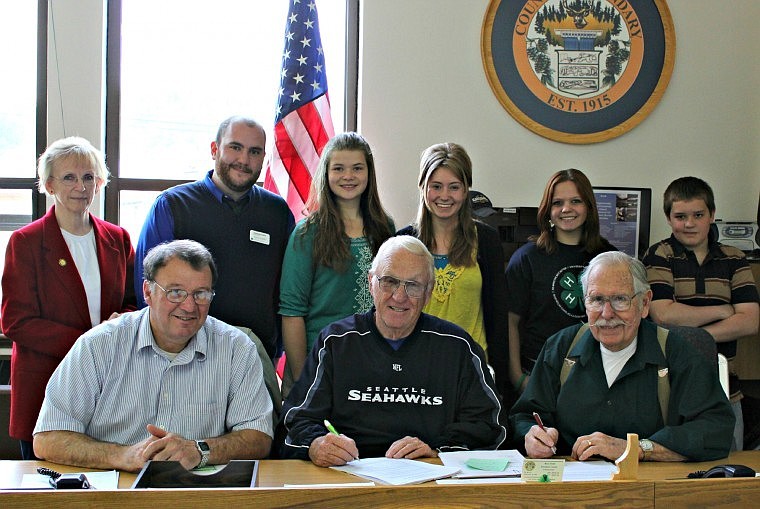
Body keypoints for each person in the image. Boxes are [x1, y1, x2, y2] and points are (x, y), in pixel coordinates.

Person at [33, 240, 273, 472]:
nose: (189, 306)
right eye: (176, 292)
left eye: (201, 294)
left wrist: (200, 450)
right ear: (148, 291)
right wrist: (122, 455)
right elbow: (47, 438)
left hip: (196, 493)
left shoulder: (237, 348)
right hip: (114, 492)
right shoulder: (98, 345)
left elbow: (259, 437)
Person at [279, 236, 505, 466]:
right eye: (389, 281)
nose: (399, 296)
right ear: (371, 283)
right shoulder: (336, 342)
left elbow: (491, 426)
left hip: (430, 476)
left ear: (428, 293)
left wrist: (439, 450)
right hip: (348, 475)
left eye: (413, 285)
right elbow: (296, 420)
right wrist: (316, 444)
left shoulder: (457, 347)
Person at [511, 251, 735, 462]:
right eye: (596, 299)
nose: (607, 314)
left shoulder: (677, 352)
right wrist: (531, 437)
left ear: (644, 303)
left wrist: (636, 449)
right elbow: (525, 416)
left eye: (620, 299)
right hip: (574, 487)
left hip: (650, 488)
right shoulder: (561, 348)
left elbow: (716, 430)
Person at [1, 137, 136, 460]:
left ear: (100, 183)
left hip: (106, 389)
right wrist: (88, 342)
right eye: (69, 178)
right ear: (49, 185)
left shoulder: (117, 239)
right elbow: (15, 321)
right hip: (45, 386)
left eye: (89, 177)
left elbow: (133, 302)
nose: (81, 186)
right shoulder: (26, 242)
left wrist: (123, 320)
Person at [134, 116, 295, 358]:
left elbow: (288, 290)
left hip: (257, 355)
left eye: (254, 151)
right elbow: (147, 287)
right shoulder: (173, 206)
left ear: (264, 157)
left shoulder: (277, 212)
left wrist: (278, 351)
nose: (244, 160)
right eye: (235, 147)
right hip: (184, 355)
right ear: (214, 149)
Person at [643, 176, 759, 449]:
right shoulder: (658, 255)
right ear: (669, 218)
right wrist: (724, 309)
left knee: (730, 466)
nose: (689, 223)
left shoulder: (734, 259)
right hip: (672, 389)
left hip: (727, 389)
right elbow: (663, 315)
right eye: (680, 216)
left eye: (698, 214)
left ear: (712, 215)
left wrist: (696, 338)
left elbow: (751, 320)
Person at [279, 132, 394, 395]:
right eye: (339, 168)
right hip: (321, 361)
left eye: (357, 168)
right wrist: (302, 376)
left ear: (369, 173)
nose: (348, 176)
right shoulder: (308, 233)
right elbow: (292, 311)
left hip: (375, 361)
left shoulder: (384, 228)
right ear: (326, 174)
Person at [396, 142, 510, 401]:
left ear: (466, 189)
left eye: (454, 187)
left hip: (471, 372)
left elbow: (498, 317)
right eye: (436, 186)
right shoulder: (403, 241)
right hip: (415, 371)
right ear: (423, 187)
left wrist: (501, 384)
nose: (444, 196)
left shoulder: (486, 240)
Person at [506, 168, 615, 395]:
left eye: (576, 201)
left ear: (589, 207)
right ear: (547, 210)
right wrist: (517, 377)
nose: (566, 209)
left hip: (597, 374)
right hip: (538, 372)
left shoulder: (609, 258)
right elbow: (510, 322)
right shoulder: (527, 259)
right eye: (557, 203)